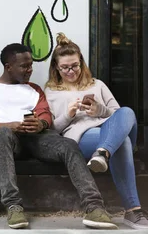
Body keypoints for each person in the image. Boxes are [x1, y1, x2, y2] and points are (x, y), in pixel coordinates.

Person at [0, 43, 116, 230]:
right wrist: (8, 125)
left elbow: (45, 115)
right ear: (8, 67)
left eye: (31, 65)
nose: (30, 70)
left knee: (68, 145)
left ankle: (94, 207)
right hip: (8, 139)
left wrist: (40, 124)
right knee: (1, 134)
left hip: (37, 138)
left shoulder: (35, 89)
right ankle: (13, 206)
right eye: (24, 66)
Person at [45, 33, 148, 229]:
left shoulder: (97, 84)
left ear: (81, 62)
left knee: (127, 111)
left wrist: (99, 110)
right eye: (64, 67)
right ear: (56, 68)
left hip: (109, 130)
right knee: (123, 142)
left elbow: (121, 116)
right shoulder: (50, 92)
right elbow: (52, 130)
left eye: (74, 65)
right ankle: (133, 211)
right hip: (81, 136)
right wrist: (69, 115)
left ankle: (103, 153)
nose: (70, 71)